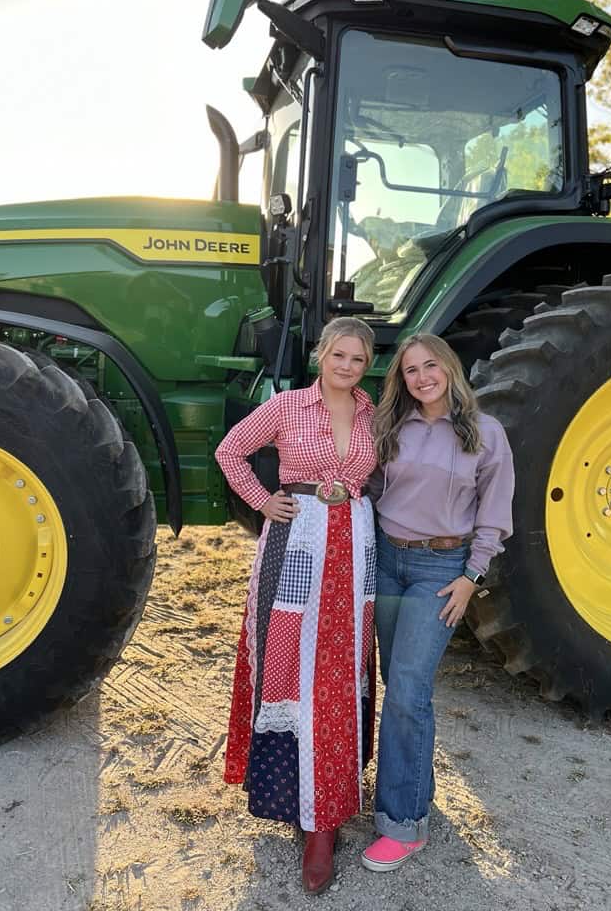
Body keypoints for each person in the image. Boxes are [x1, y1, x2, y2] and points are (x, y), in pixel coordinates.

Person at [215, 317, 377, 895]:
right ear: (321, 355)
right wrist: (265, 502)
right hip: (296, 542)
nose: (348, 367)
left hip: (354, 548)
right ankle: (289, 791)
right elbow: (230, 451)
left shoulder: (372, 415)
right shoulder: (286, 406)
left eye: (359, 360)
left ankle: (325, 820)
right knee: (288, 667)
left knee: (337, 673)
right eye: (340, 356)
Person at [360, 333, 514, 873]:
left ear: (449, 368)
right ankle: (416, 789)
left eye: (430, 366)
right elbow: (370, 490)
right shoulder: (393, 428)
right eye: (410, 371)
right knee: (398, 685)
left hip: (439, 573)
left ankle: (402, 823)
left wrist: (473, 575)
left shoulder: (485, 434)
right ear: (400, 380)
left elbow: (494, 514)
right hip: (387, 562)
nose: (422, 377)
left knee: (407, 688)